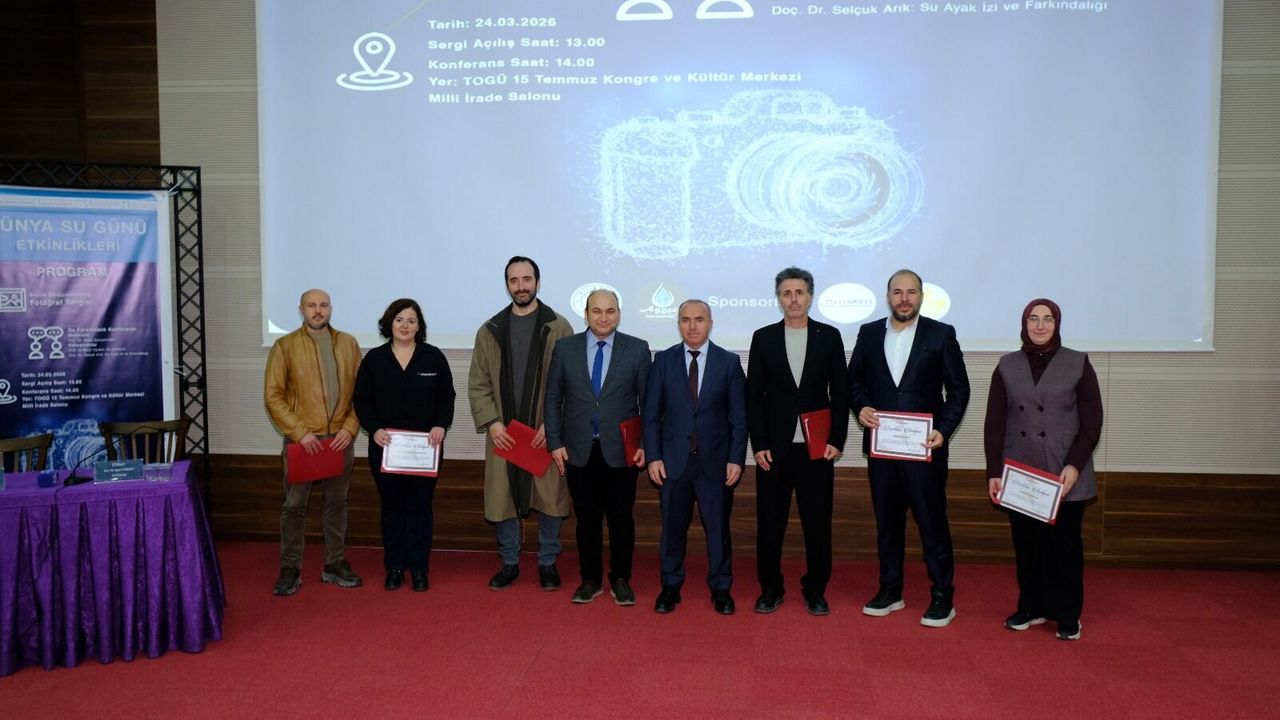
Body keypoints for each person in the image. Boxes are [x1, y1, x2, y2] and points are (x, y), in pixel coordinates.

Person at [847, 269, 970, 627]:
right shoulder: (869, 333)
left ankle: (942, 596)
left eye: (911, 292)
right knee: (887, 522)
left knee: (932, 523)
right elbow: (853, 380)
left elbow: (959, 390)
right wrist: (861, 406)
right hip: (882, 449)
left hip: (924, 448)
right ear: (888, 296)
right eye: (897, 292)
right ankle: (890, 590)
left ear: (921, 297)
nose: (904, 298)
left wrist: (943, 430)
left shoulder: (941, 334)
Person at [984, 298, 1102, 641]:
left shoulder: (1079, 363)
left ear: (1057, 323)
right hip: (1021, 471)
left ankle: (1068, 614)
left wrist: (1075, 465)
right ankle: (1030, 606)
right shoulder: (1006, 365)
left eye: (1047, 319)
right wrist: (994, 471)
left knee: (1065, 546)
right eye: (1033, 319)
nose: (1040, 325)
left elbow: (1092, 422)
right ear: (1024, 324)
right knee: (1027, 545)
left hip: (1064, 471)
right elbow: (994, 423)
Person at [747, 267, 849, 616]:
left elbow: (841, 392)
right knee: (769, 524)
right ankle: (770, 588)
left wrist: (837, 438)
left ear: (810, 296)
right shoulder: (763, 338)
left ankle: (815, 589)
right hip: (773, 450)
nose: (793, 299)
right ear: (778, 298)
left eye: (799, 292)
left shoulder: (829, 336)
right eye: (786, 293)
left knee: (817, 523)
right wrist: (759, 443)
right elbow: (753, 396)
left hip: (816, 449)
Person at [468, 256, 574, 591]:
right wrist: (492, 423)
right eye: (514, 281)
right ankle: (510, 562)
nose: (521, 286)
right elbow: (478, 383)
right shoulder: (490, 330)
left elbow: (571, 383)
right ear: (507, 285)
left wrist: (552, 426)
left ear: (537, 282)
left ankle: (547, 562)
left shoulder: (559, 326)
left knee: (550, 498)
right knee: (502, 497)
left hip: (544, 431)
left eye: (527, 279)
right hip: (505, 433)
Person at [544, 289, 651, 606]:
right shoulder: (565, 348)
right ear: (586, 314)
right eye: (597, 311)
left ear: (619, 313)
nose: (604, 317)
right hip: (578, 449)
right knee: (587, 518)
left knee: (621, 518)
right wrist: (555, 442)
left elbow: (649, 402)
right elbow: (553, 398)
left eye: (610, 311)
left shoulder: (637, 349)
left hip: (622, 450)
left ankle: (621, 579)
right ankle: (589, 580)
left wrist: (646, 444)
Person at [643, 299, 747, 615]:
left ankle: (721, 588)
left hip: (715, 463)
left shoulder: (729, 362)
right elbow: (651, 415)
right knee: (672, 529)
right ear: (678, 324)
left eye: (699, 319)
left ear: (710, 323)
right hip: (673, 462)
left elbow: (739, 418)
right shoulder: (663, 361)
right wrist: (654, 457)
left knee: (718, 530)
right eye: (685, 320)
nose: (692, 326)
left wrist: (736, 459)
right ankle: (670, 586)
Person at [263, 288, 364, 595]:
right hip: (302, 442)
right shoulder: (285, 346)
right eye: (311, 305)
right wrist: (300, 433)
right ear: (301, 310)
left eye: (323, 305)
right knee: (294, 506)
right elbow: (273, 396)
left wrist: (350, 427)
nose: (318, 310)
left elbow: (363, 393)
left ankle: (335, 562)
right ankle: (290, 567)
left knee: (337, 504)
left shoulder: (348, 344)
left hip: (339, 441)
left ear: (330, 309)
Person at [353, 298, 455, 592]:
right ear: (389, 323)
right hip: (386, 449)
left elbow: (446, 397)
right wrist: (374, 429)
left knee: (420, 508)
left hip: (426, 449)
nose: (405, 326)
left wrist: (440, 425)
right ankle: (395, 567)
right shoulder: (374, 359)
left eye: (411, 321)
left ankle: (420, 568)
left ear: (419, 326)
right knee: (393, 508)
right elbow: (362, 400)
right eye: (399, 320)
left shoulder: (433, 357)